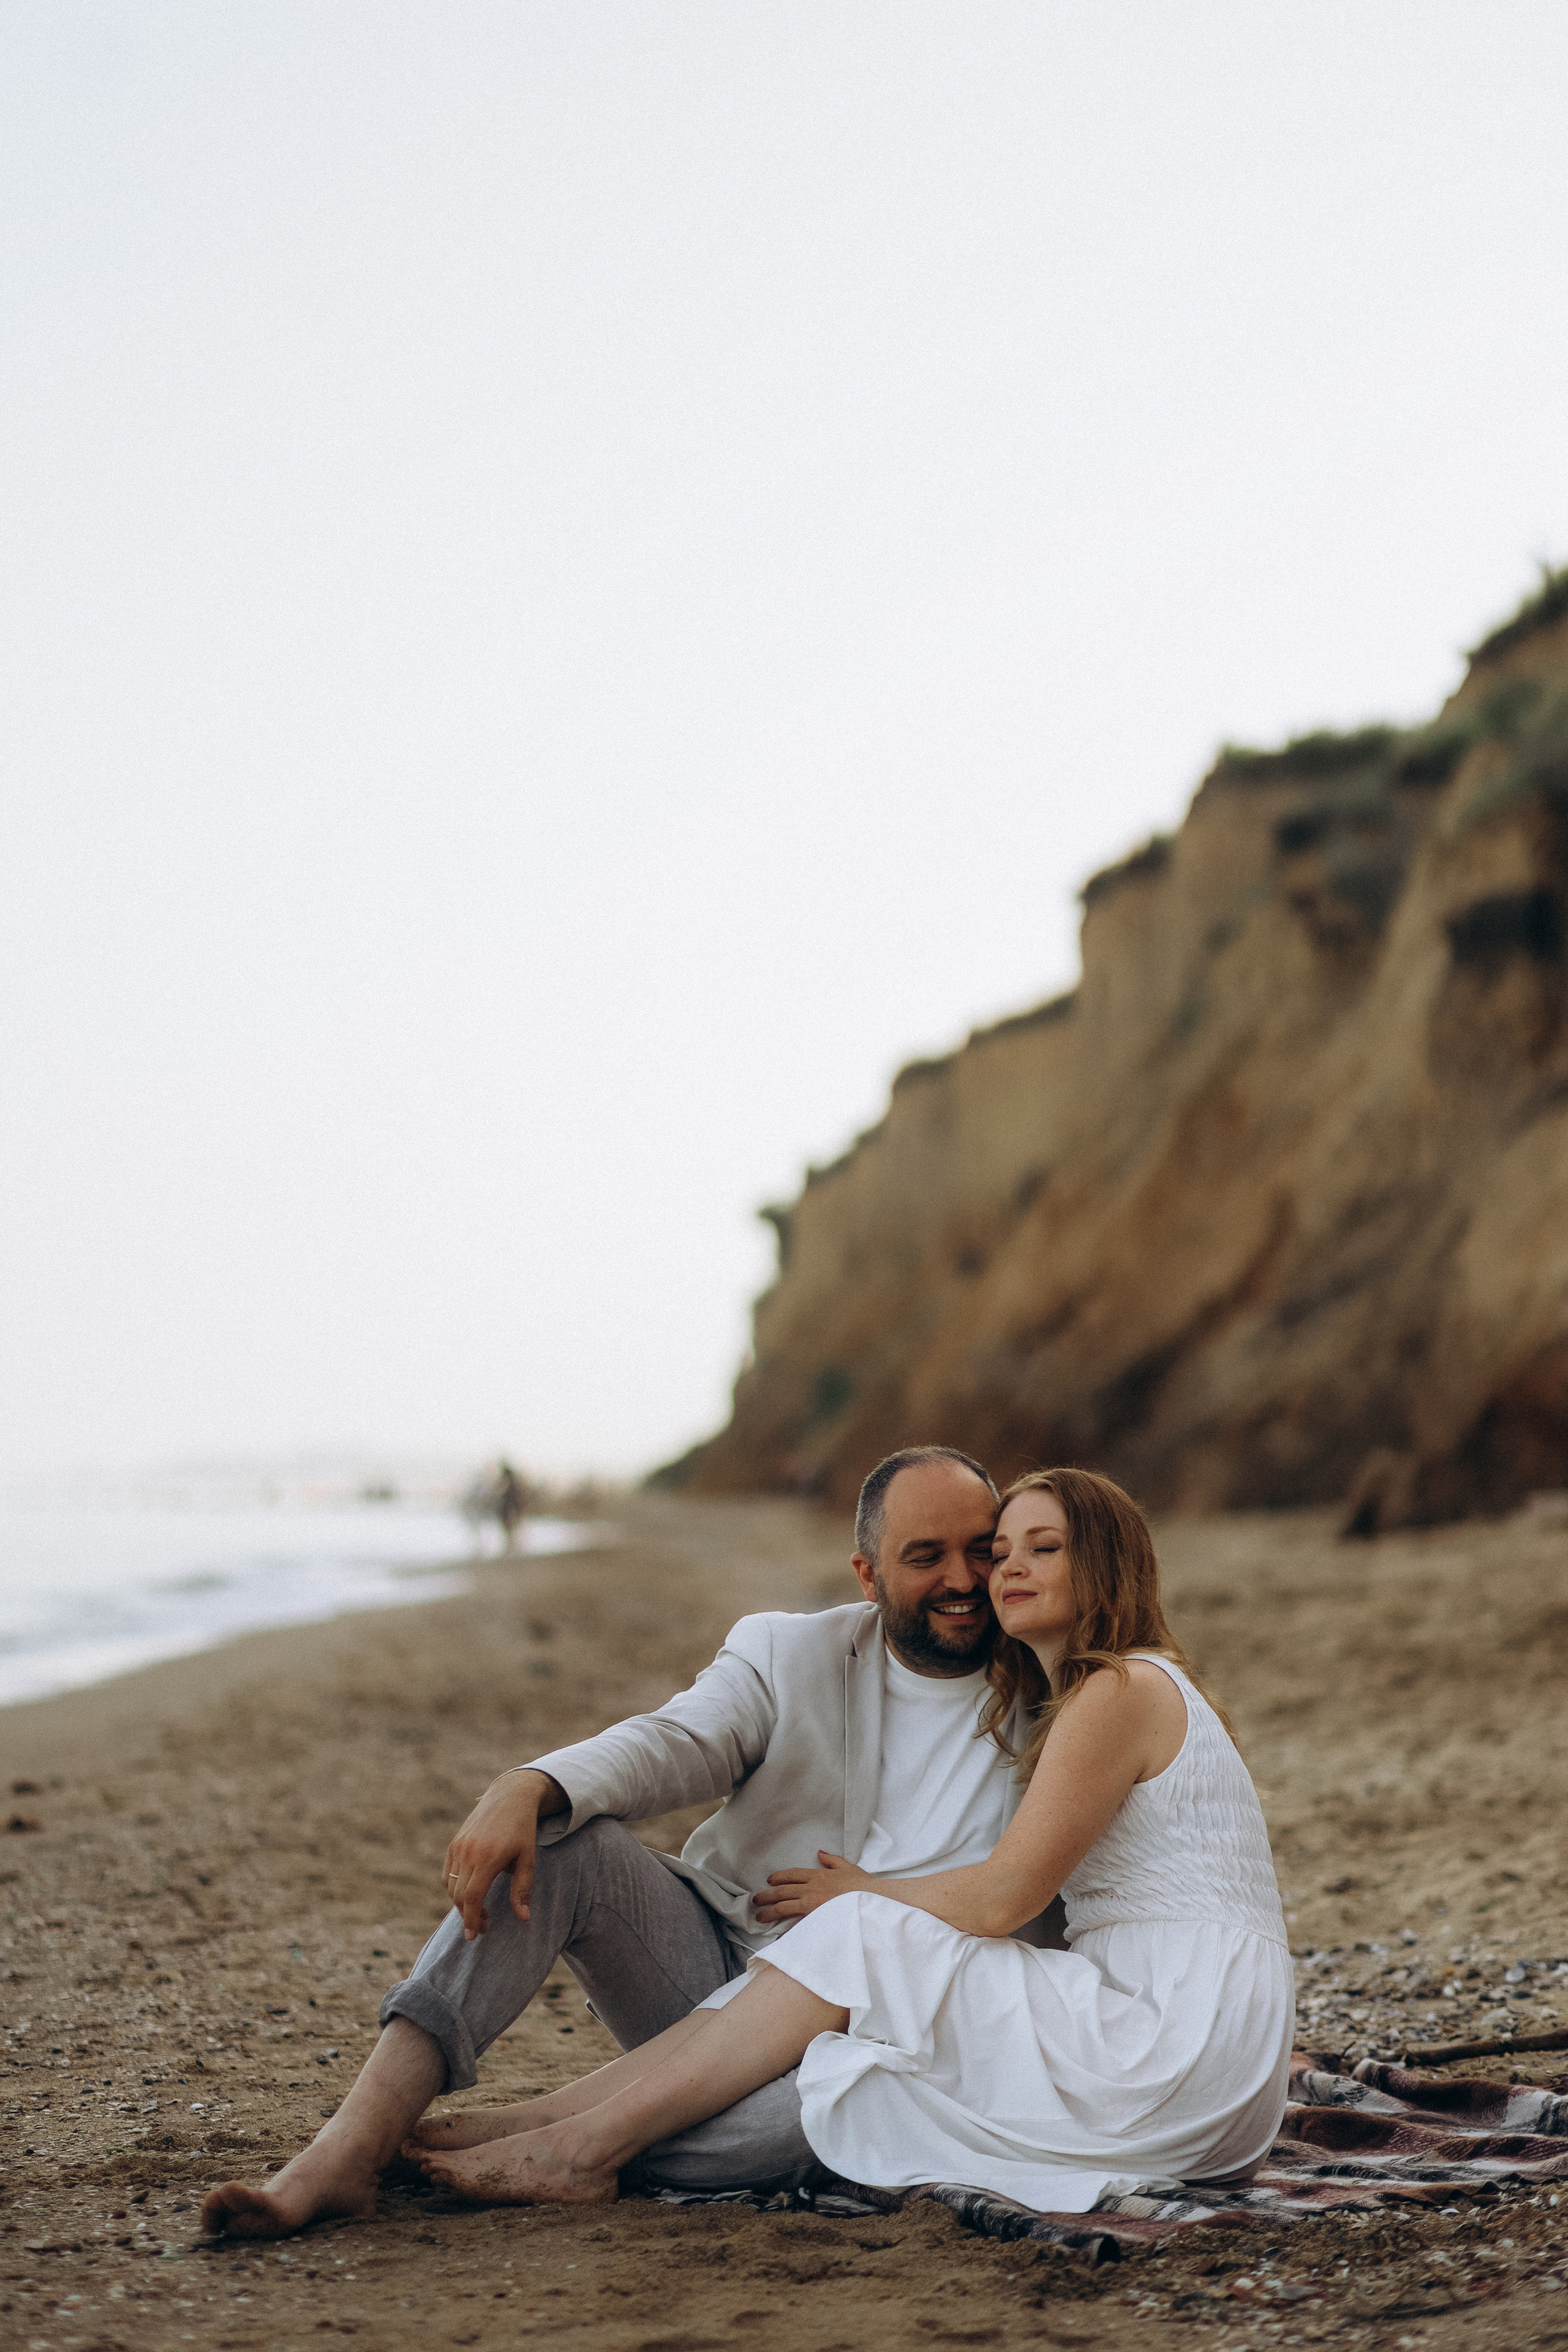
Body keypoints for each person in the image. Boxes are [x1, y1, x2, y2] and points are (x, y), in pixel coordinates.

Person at [202, 1444, 1053, 2239]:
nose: (963, 1579)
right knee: (564, 1841)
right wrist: (528, 1785)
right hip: (721, 1970)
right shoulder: (791, 1654)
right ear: (868, 1576)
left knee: (853, 2112)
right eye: (926, 1556)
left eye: (981, 1549)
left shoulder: (1056, 1693)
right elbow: (678, 1739)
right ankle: (351, 2148)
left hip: (884, 2041)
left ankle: (555, 2138)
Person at [399, 1468, 1294, 2215]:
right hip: (1200, 2046)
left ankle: (579, 2145)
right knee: (867, 2061)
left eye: (1044, 1548)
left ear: (1106, 1564)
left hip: (1173, 2036)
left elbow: (1001, 1901)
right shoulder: (1113, 1691)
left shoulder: (1116, 1691)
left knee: (861, 1936)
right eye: (1004, 1549)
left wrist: (857, 1892)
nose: (1005, 1570)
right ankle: (546, 2125)